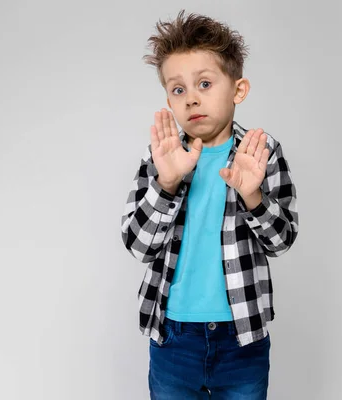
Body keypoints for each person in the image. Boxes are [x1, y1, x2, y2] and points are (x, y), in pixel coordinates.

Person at [120, 9, 299, 399]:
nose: (191, 99)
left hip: (242, 338)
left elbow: (282, 241)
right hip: (174, 339)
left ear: (238, 90)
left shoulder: (260, 152)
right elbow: (137, 245)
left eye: (204, 83)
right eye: (178, 89)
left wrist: (252, 195)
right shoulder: (160, 158)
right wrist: (167, 182)